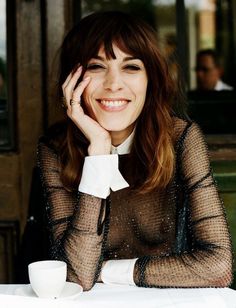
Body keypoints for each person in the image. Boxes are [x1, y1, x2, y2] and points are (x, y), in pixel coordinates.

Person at [37, 11, 232, 291]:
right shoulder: (55, 148)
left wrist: (105, 271)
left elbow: (217, 267)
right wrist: (99, 155)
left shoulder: (181, 137)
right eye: (96, 66)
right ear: (72, 80)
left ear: (150, 78)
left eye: (131, 67)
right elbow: (78, 275)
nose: (114, 83)